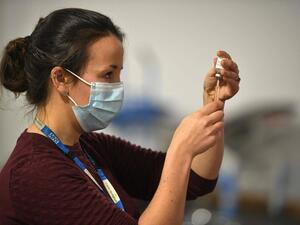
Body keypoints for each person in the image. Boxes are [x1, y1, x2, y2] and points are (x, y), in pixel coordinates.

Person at [0, 8, 240, 225]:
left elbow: (197, 179)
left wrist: (214, 103)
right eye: (107, 75)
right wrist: (181, 151)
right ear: (61, 79)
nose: (117, 87)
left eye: (118, 74)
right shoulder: (34, 173)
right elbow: (182, 168)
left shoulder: (91, 147)